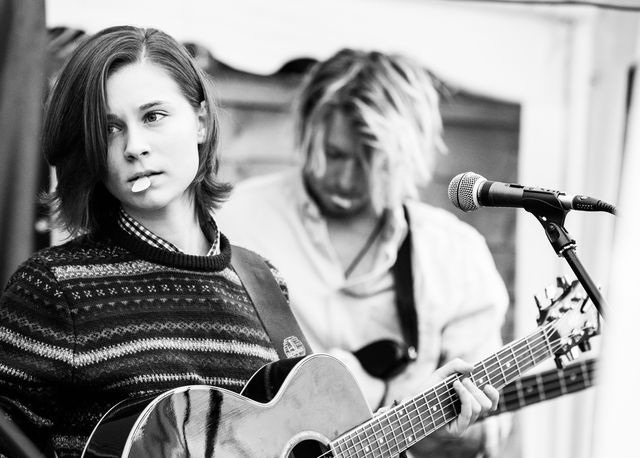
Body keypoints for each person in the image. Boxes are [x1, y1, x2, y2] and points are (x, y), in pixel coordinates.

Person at [0, 28, 498, 458]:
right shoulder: (55, 287)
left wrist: (421, 419)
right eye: (110, 128)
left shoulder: (260, 280)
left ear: (199, 121)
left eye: (153, 116)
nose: (135, 147)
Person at [216, 48, 511, 457]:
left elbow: (489, 426)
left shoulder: (454, 254)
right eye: (334, 154)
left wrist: (449, 435)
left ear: (404, 157)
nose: (344, 178)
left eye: (368, 160)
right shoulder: (237, 220)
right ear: (309, 133)